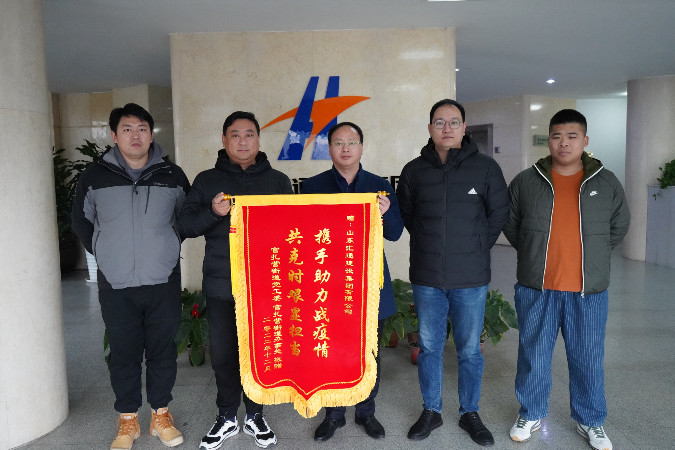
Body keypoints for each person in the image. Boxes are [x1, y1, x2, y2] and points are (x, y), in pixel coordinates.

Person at [503, 109, 630, 450]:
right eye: (557, 136)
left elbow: (619, 224)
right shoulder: (527, 181)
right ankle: (531, 413)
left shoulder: (605, 181)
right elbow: (511, 224)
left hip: (588, 291)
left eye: (572, 136)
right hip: (537, 287)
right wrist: (533, 254)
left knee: (587, 359)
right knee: (533, 356)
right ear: (549, 140)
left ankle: (590, 420)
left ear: (584, 141)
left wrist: (594, 256)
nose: (564, 143)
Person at [71, 103, 190, 449]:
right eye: (127, 129)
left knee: (162, 350)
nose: (135, 135)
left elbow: (183, 220)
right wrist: (108, 252)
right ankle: (127, 421)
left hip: (162, 280)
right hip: (116, 283)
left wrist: (164, 249)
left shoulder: (172, 175)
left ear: (151, 135)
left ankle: (160, 415)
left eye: (142, 129)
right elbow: (81, 222)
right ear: (114, 135)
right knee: (123, 352)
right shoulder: (94, 177)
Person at [396, 99, 508, 446]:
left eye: (454, 122)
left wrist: (476, 246)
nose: (447, 128)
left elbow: (498, 214)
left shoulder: (486, 168)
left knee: (469, 351)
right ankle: (431, 410)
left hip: (470, 277)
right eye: (440, 122)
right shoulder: (414, 170)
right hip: (427, 275)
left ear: (464, 128)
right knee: (429, 348)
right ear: (430, 128)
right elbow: (408, 216)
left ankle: (469, 412)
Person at [177, 111, 292, 449]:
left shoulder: (278, 181)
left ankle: (255, 415)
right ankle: (227, 415)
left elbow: (293, 230)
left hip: (265, 285)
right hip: (221, 284)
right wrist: (213, 212)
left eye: (249, 134)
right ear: (224, 140)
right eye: (236, 135)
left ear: (258, 139)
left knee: (260, 352)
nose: (243, 141)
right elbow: (184, 226)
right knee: (225, 354)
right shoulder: (206, 180)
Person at [301, 122, 404, 442]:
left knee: (369, 352)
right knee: (330, 350)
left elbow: (395, 233)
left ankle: (366, 411)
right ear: (329, 148)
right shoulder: (312, 187)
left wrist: (386, 212)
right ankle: (334, 415)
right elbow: (302, 234)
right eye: (338, 142)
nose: (345, 148)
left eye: (352, 142)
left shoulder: (379, 186)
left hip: (368, 283)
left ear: (361, 147)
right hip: (327, 283)